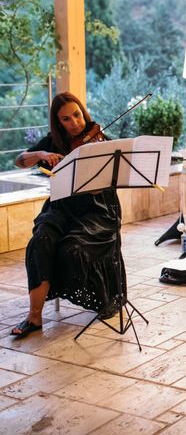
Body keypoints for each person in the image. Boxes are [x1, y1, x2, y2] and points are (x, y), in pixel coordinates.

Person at [10, 92, 125, 338]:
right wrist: (41, 155)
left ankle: (101, 298)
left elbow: (116, 179)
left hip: (97, 211)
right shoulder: (53, 142)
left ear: (83, 112)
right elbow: (19, 161)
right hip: (60, 209)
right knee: (41, 241)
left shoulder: (102, 142)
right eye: (66, 119)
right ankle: (34, 317)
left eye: (77, 115)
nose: (75, 123)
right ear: (58, 122)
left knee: (73, 248)